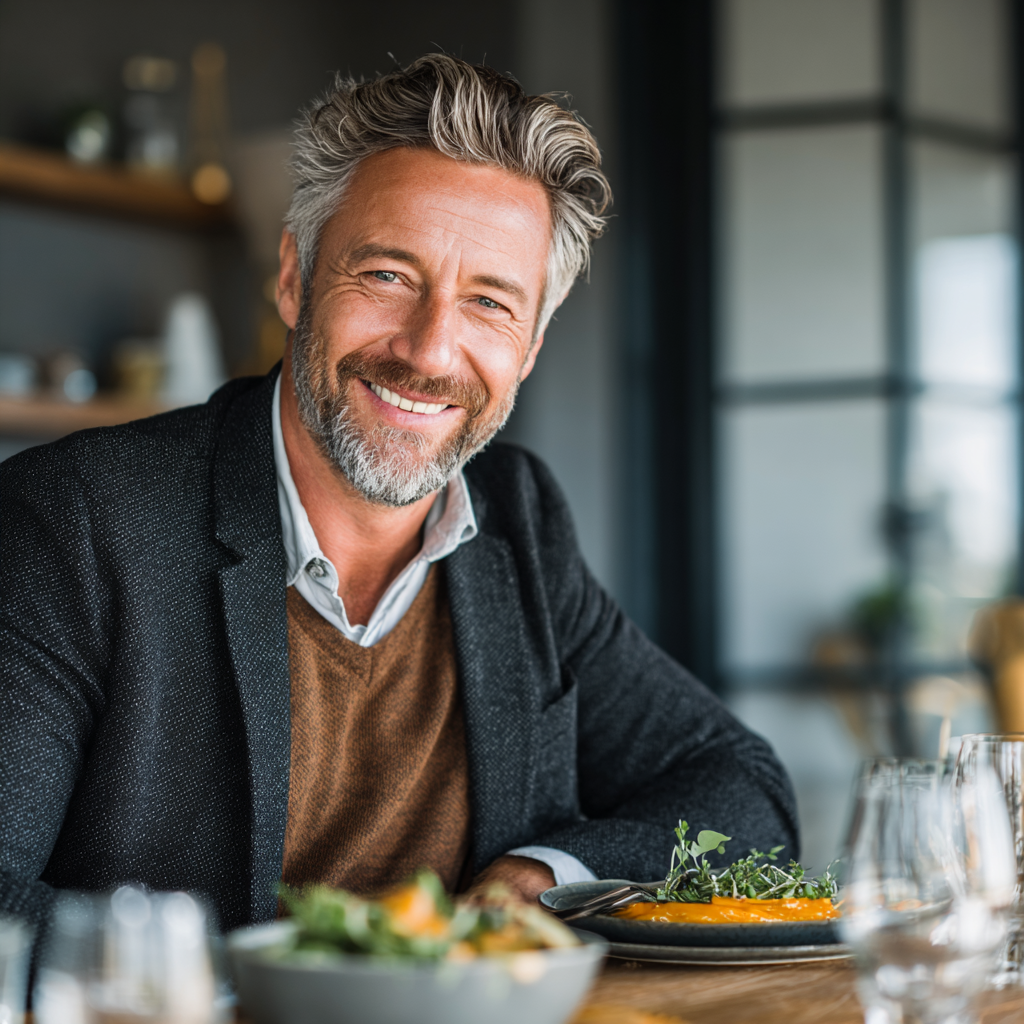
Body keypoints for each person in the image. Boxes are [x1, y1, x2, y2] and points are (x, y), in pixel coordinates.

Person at [0, 55, 796, 936]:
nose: (429, 350)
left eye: (491, 304)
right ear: (297, 279)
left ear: (529, 348)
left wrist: (545, 876)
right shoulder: (75, 520)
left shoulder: (516, 519)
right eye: (387, 276)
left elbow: (740, 786)